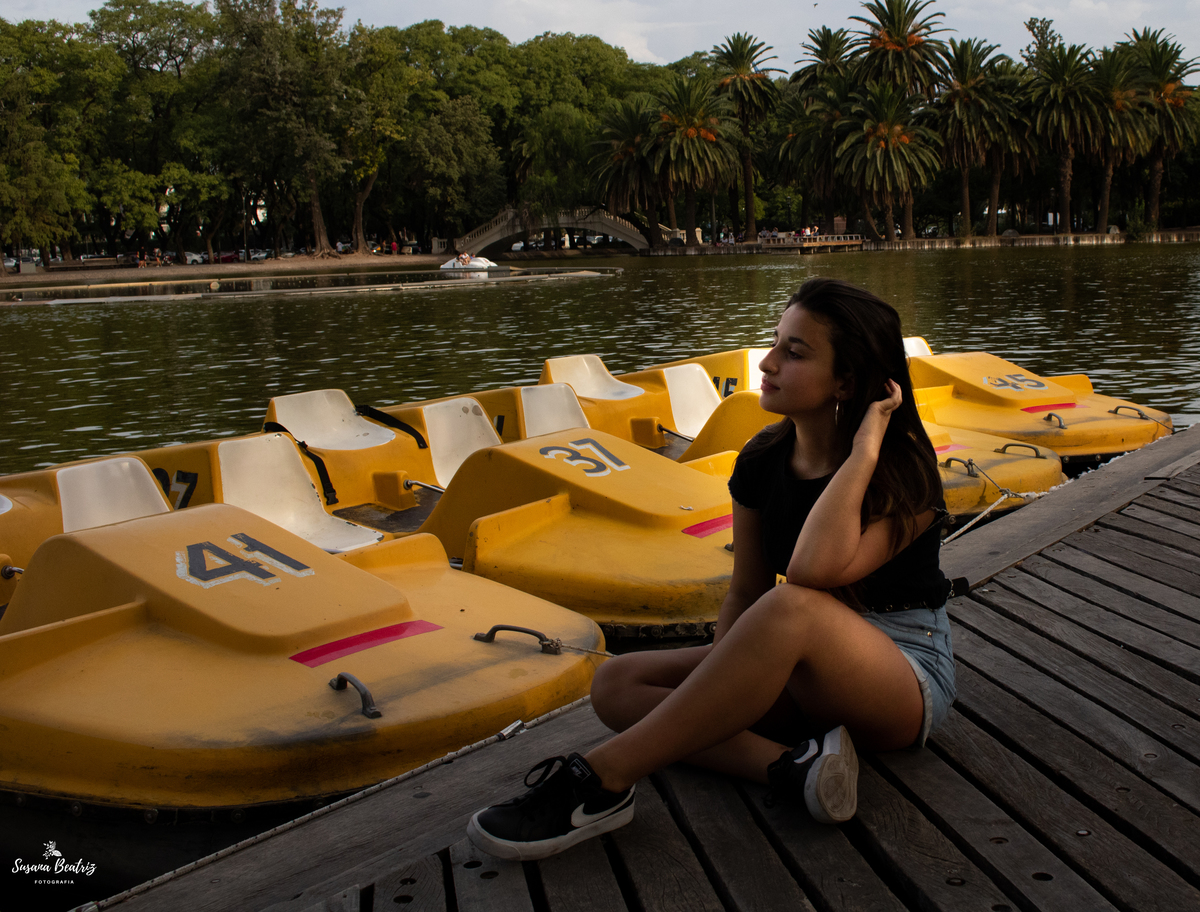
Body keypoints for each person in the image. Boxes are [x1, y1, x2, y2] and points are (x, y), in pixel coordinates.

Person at [466, 278, 957, 861]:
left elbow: (810, 573)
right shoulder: (761, 460)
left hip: (900, 673)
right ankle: (790, 770)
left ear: (847, 381)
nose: (768, 363)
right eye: (775, 343)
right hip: (793, 661)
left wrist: (864, 453)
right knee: (616, 683)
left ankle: (600, 781)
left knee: (790, 604)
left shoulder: (905, 472)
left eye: (795, 353)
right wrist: (726, 686)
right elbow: (746, 589)